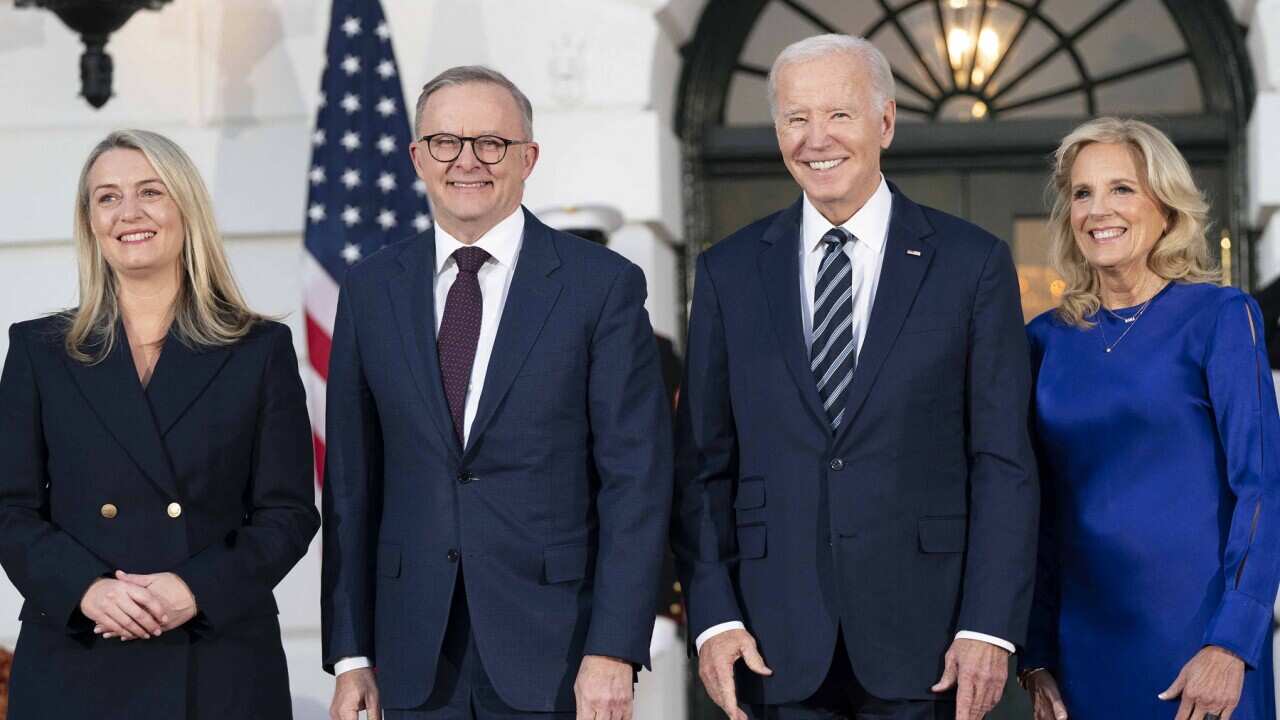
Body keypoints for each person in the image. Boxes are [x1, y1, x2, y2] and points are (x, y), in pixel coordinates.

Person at [671, 33, 1038, 720]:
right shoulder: (729, 272)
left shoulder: (970, 265)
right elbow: (701, 466)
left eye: (839, 114)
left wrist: (987, 625)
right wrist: (715, 618)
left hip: (930, 643)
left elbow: (1002, 461)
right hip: (772, 643)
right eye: (795, 118)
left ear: (886, 123)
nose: (816, 139)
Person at [321, 66, 672, 720]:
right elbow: (349, 483)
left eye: (491, 143)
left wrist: (615, 649)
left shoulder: (601, 287)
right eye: (446, 143)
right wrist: (350, 654)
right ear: (418, 157)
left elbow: (636, 480)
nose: (467, 162)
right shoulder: (370, 290)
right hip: (411, 655)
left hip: (560, 652)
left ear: (528, 157)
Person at [0, 129, 320, 719]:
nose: (129, 213)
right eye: (107, 197)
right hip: (76, 658)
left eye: (151, 191)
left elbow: (289, 513)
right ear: (90, 222)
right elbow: (9, 508)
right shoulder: (38, 350)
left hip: (216, 661)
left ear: (184, 208)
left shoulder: (258, 350)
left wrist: (196, 589)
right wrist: (86, 590)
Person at [1021, 117, 1280, 720]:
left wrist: (1232, 642)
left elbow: (1262, 487)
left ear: (1165, 206)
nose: (1097, 209)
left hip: (1201, 645)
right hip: (1080, 651)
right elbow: (1034, 509)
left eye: (1121, 189)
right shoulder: (1044, 341)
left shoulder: (1218, 316)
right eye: (1081, 193)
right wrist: (1035, 654)